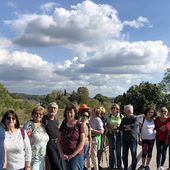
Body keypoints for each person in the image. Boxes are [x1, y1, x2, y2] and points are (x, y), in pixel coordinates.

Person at [57, 104, 85, 170]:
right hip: (64, 156)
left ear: (75, 113)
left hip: (76, 156)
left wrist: (73, 155)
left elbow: (82, 141)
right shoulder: (63, 125)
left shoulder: (79, 125)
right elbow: (58, 141)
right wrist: (61, 154)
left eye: (71, 112)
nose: (69, 114)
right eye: (67, 112)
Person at [24, 106, 49, 170]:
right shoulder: (29, 125)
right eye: (36, 113)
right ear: (32, 115)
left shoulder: (43, 126)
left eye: (40, 114)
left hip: (42, 157)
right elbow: (24, 140)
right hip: (33, 158)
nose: (38, 115)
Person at [42, 102, 62, 170]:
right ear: (48, 109)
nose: (53, 110)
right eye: (51, 108)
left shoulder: (56, 119)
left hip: (57, 144)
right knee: (56, 165)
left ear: (57, 110)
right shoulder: (44, 119)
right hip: (49, 144)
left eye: (54, 108)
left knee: (58, 163)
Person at [119, 104, 138, 170]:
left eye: (125, 110)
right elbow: (121, 127)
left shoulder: (135, 118)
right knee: (124, 155)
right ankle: (125, 168)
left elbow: (134, 126)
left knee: (133, 155)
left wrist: (127, 127)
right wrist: (128, 127)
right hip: (125, 139)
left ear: (129, 111)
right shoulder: (124, 118)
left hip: (132, 140)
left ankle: (133, 168)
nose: (124, 111)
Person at [105, 103, 123, 170]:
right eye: (112, 108)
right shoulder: (109, 116)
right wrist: (111, 128)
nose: (113, 109)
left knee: (118, 151)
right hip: (111, 135)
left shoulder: (121, 116)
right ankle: (111, 166)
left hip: (118, 135)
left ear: (117, 109)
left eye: (114, 108)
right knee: (111, 151)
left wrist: (118, 129)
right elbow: (106, 125)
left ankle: (119, 166)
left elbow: (123, 125)